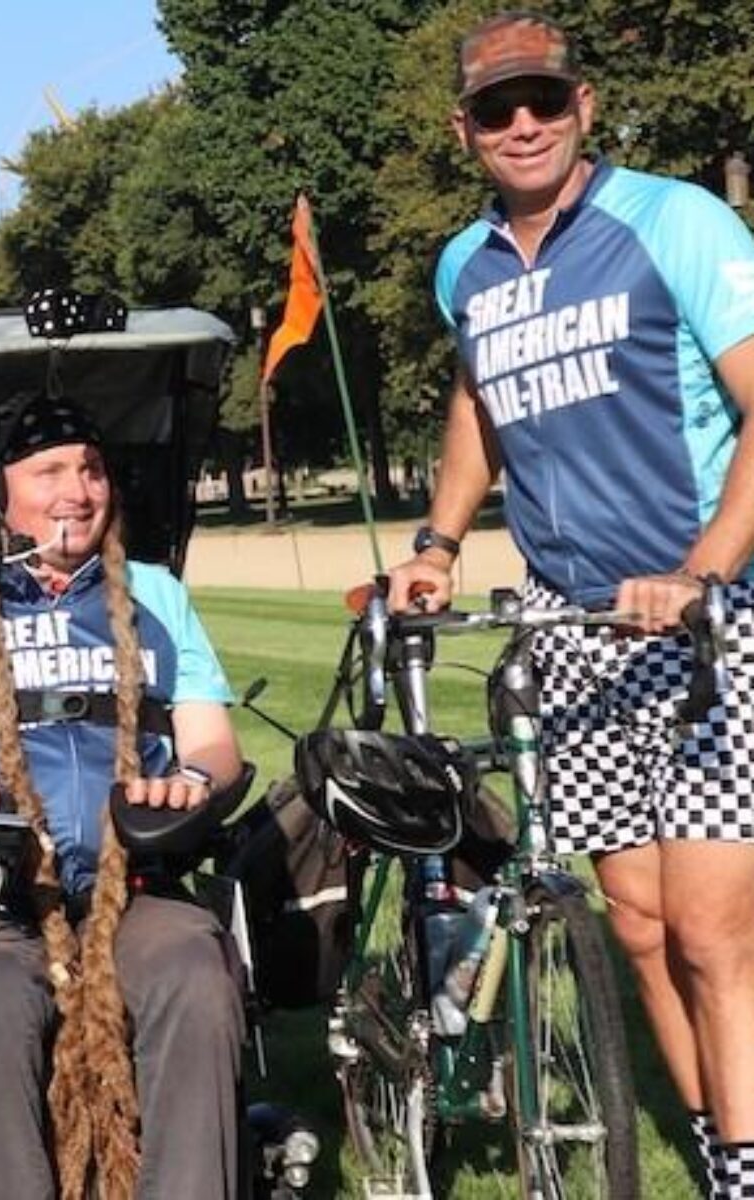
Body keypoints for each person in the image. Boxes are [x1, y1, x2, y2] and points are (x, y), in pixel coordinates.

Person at [384, 12, 754, 1193]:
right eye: (496, 109)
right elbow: (477, 403)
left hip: (706, 621)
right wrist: (440, 540)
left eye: (543, 99)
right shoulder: (466, 265)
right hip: (571, 630)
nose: (523, 124)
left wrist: (703, 572)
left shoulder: (674, 221)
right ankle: (717, 1155)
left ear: (584, 105)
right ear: (465, 128)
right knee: (637, 926)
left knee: (713, 932)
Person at [0, 393, 245, 1199]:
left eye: (92, 469)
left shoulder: (153, 594)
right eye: (49, 472)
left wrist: (190, 781)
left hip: (134, 884)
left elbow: (215, 743)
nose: (78, 490)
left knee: (194, 970)